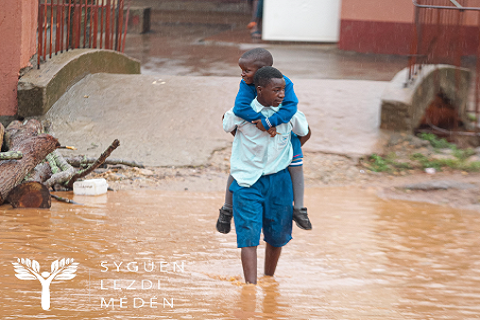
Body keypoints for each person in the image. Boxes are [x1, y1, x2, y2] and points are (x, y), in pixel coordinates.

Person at [223, 66, 310, 284]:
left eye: (283, 90)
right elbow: (227, 123)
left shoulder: (291, 115)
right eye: (276, 90)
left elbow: (304, 132)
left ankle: (269, 280)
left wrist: (290, 152)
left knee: (277, 236)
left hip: (279, 182)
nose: (282, 94)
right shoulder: (241, 113)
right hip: (247, 183)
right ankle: (250, 289)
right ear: (259, 90)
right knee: (248, 237)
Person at [216, 48, 312, 235]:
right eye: (242, 69)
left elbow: (291, 108)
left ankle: (299, 208)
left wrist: (272, 124)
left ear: (262, 70)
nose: (242, 74)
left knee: (296, 165)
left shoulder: (285, 84)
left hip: (284, 132)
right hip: (258, 129)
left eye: (247, 70)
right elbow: (240, 107)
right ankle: (227, 209)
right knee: (239, 166)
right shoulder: (246, 84)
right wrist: (259, 123)